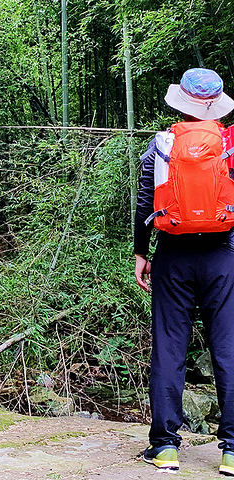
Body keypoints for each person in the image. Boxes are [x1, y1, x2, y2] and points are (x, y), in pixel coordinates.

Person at [134, 68, 234, 475]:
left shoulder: (159, 146)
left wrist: (142, 253)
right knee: (228, 348)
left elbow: (145, 205)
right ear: (216, 106)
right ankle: (231, 452)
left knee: (170, 348)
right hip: (223, 257)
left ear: (182, 103)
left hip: (173, 256)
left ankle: (165, 448)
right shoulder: (231, 146)